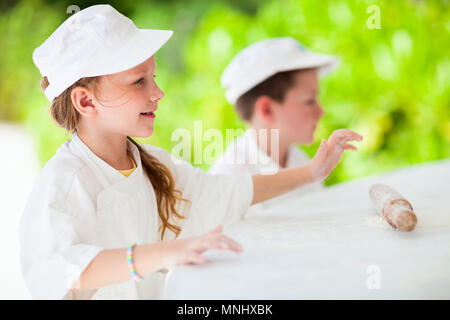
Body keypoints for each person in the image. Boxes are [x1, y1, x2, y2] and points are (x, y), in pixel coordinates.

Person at [19, 5, 363, 300]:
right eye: (139, 81)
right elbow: (62, 267)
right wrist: (165, 253)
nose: (158, 93)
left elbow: (227, 192)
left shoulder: (155, 164)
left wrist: (310, 173)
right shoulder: (65, 181)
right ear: (85, 101)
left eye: (153, 77)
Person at [210, 38, 343, 211]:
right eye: (309, 101)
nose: (321, 111)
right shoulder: (229, 178)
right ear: (266, 110)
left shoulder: (298, 159)